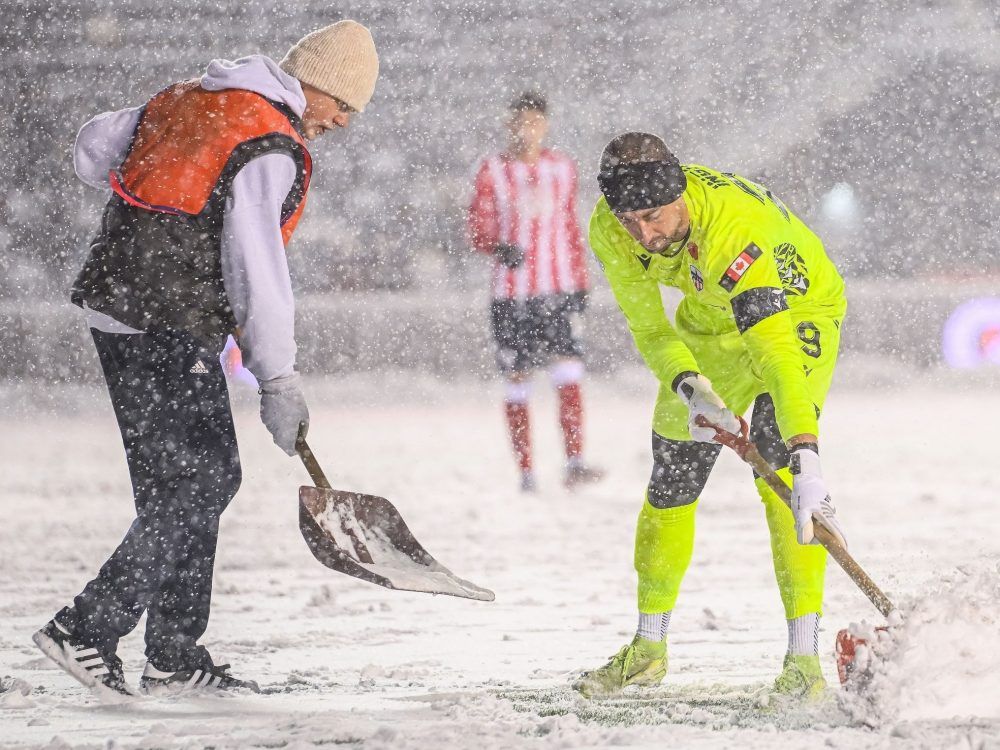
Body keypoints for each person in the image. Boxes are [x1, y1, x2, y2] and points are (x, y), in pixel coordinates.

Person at [32, 21, 379, 698]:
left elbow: (92, 149)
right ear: (322, 86)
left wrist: (173, 157)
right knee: (202, 482)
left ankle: (171, 655)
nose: (344, 121)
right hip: (165, 316)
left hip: (117, 303)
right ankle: (87, 628)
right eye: (346, 104)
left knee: (177, 486)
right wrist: (277, 378)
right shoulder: (270, 140)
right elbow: (255, 268)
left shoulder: (195, 94)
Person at [574, 132, 848, 699]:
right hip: (712, 318)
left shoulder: (735, 229)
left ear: (679, 197)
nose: (643, 236)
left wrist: (808, 458)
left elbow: (774, 353)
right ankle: (648, 648)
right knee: (672, 471)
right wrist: (689, 385)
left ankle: (804, 663)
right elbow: (649, 328)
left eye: (652, 216)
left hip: (795, 313)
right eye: (630, 221)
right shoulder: (611, 226)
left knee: (778, 466)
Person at [467, 91, 603, 492]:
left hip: (559, 289)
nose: (525, 131)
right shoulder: (492, 170)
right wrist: (495, 243)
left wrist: (580, 281)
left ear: (544, 125)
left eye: (533, 122)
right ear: (508, 126)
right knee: (518, 378)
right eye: (518, 123)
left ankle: (575, 463)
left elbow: (570, 228)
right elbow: (477, 224)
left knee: (568, 372)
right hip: (512, 295)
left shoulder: (563, 169)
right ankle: (526, 472)